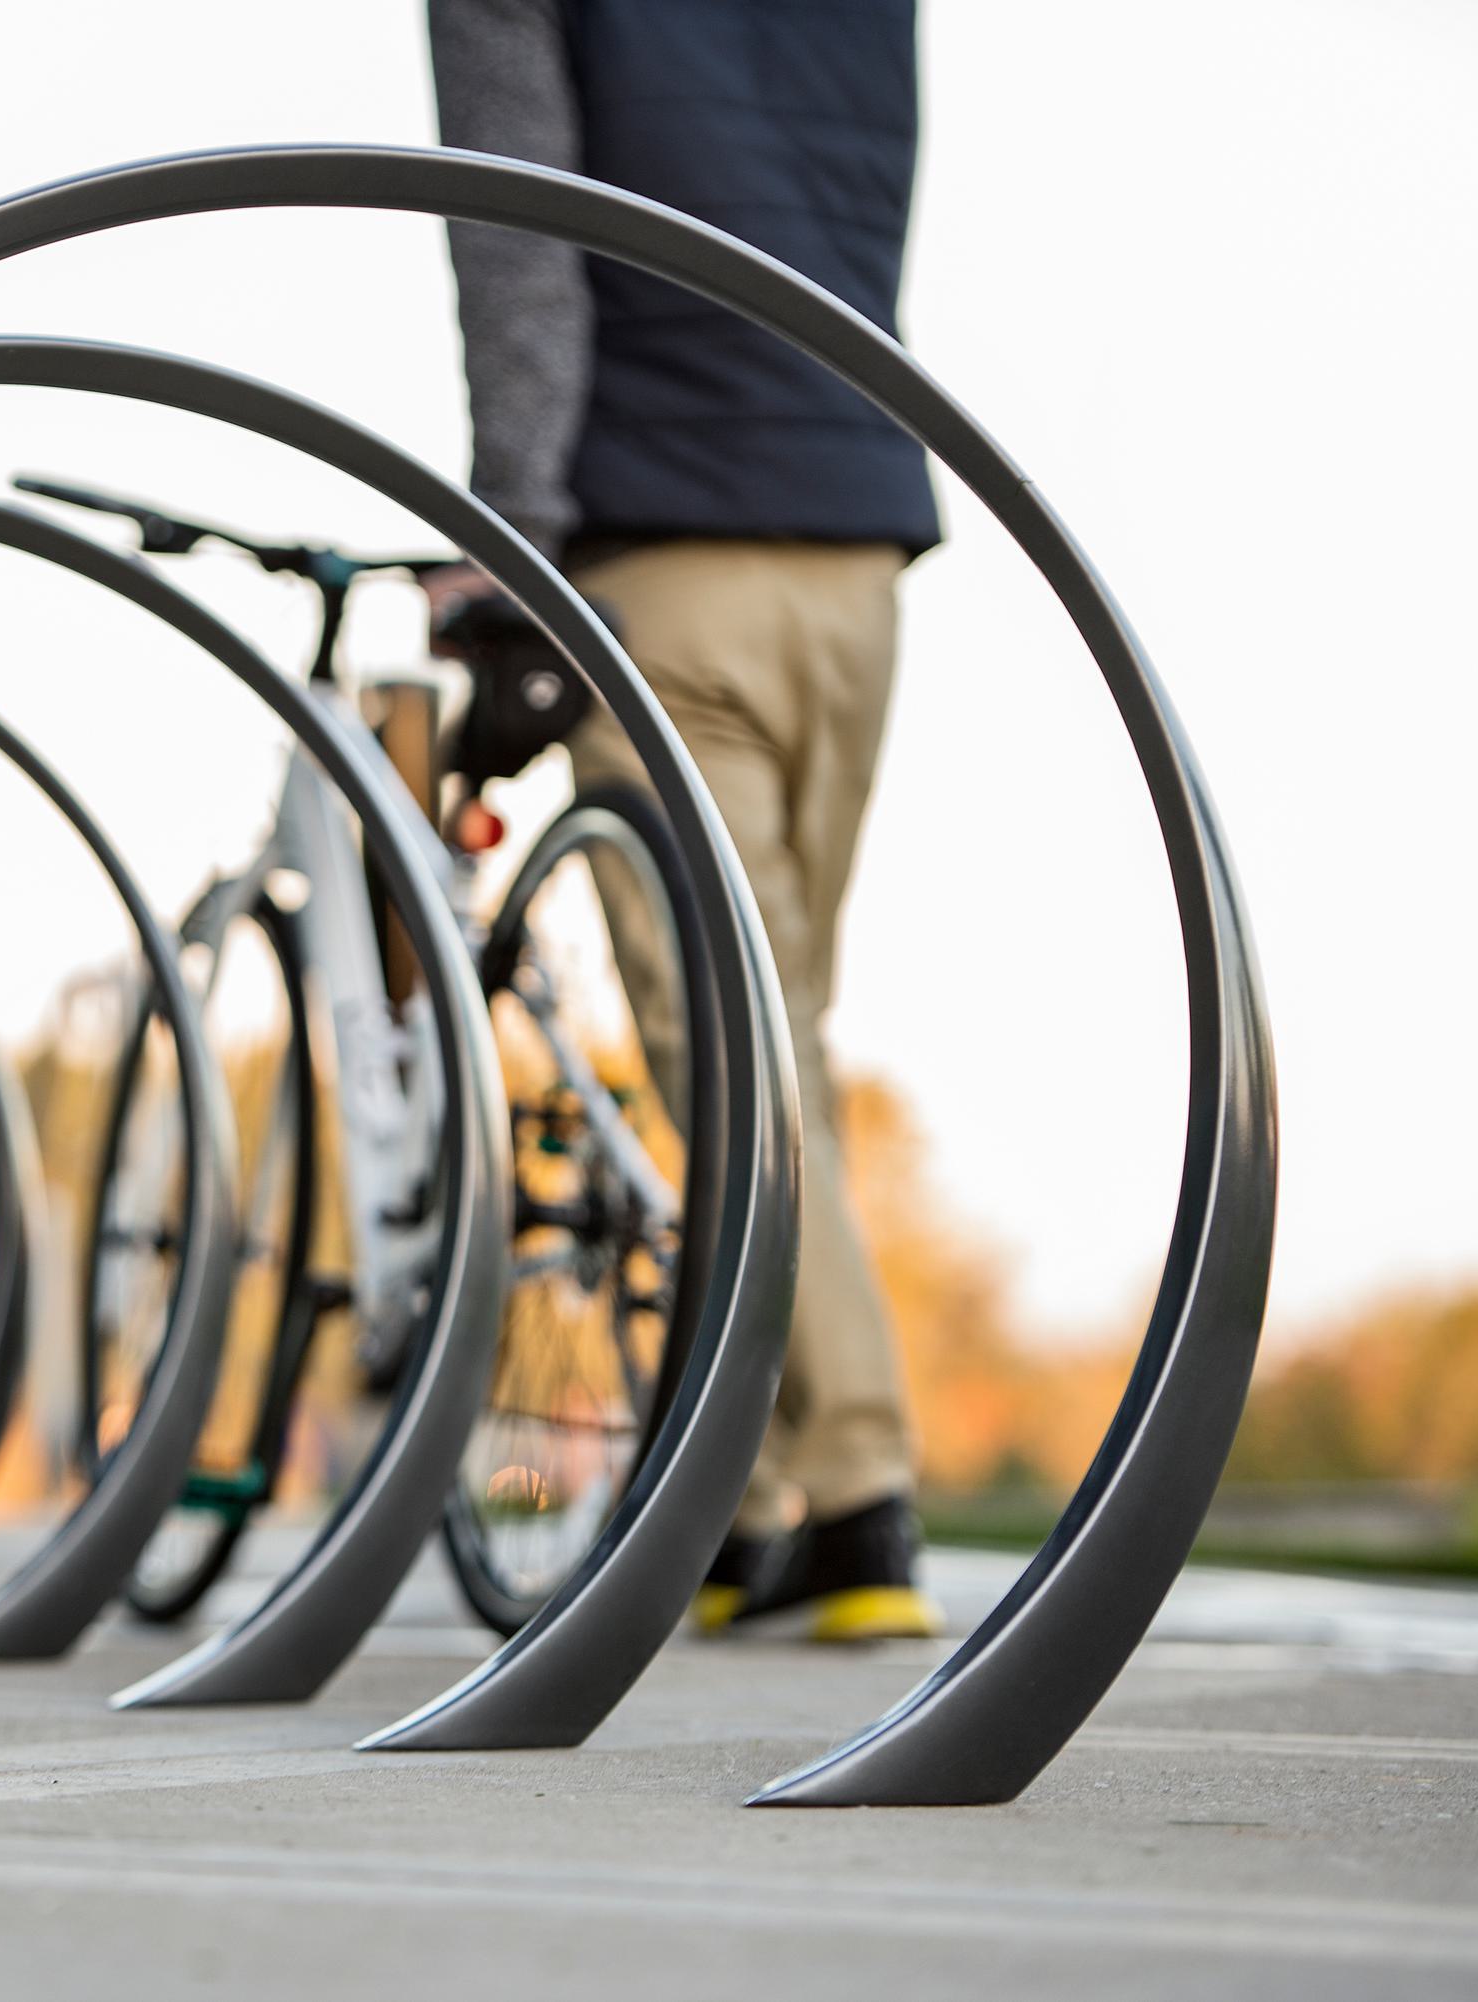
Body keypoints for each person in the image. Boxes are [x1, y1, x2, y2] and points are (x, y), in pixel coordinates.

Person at [426, 0, 942, 1640]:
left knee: (736, 1044)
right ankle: (747, 1490)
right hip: (857, 547)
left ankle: (856, 1492)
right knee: (783, 1035)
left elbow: (522, 242)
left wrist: (508, 537)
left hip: (669, 551)